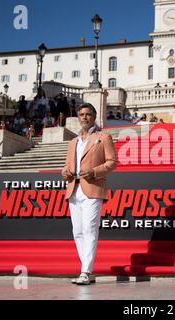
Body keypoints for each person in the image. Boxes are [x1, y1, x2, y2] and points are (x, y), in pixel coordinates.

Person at [61, 103, 117, 285]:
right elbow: (66, 165)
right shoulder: (73, 142)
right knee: (77, 231)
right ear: (78, 117)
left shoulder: (103, 137)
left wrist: (94, 172)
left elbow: (112, 163)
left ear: (94, 116)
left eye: (88, 114)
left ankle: (85, 271)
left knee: (89, 229)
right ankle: (87, 269)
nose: (85, 117)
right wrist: (65, 172)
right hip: (73, 189)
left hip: (92, 188)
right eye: (82, 114)